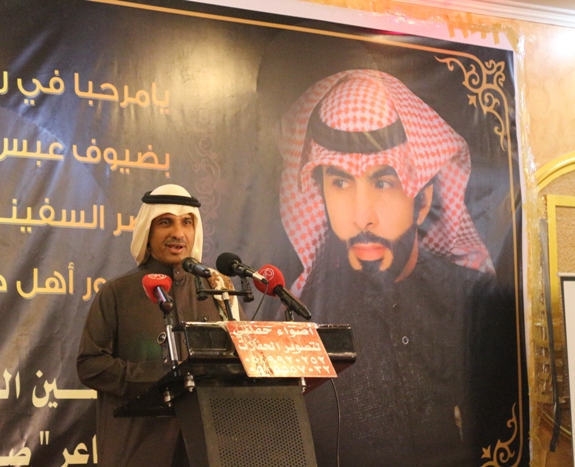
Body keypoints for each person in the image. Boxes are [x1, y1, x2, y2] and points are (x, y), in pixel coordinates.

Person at [277, 70, 518, 466]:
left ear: (423, 200)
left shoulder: (476, 302)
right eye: (340, 183)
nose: (362, 217)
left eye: (383, 183)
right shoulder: (300, 316)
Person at [77, 184, 238, 467]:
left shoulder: (217, 290)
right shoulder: (118, 292)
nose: (178, 233)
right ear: (147, 233)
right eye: (165, 222)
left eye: (186, 223)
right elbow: (91, 365)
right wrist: (163, 377)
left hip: (208, 447)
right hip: (139, 447)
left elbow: (238, 361)